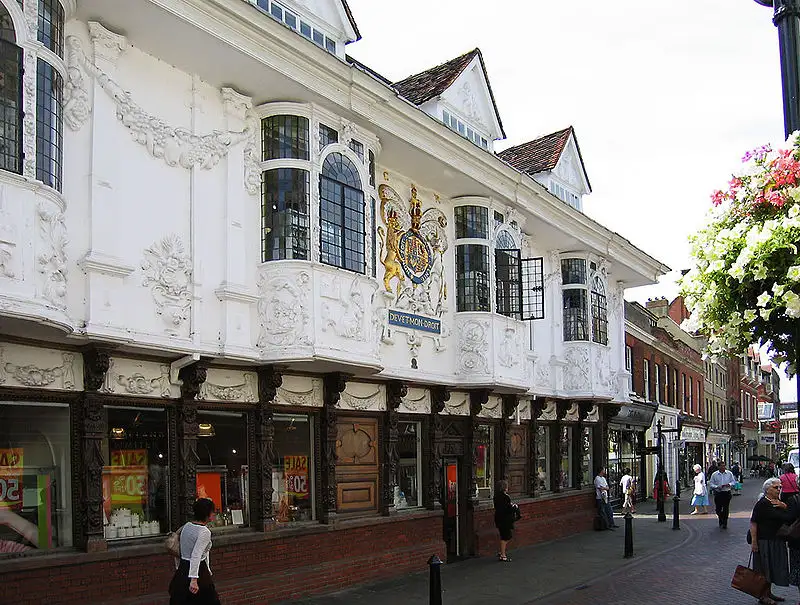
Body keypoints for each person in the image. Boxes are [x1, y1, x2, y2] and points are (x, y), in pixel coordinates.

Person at [169, 498, 221, 605]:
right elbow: (196, 555)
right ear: (207, 514)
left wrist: (179, 567)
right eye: (213, 511)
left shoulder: (187, 526)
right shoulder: (204, 532)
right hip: (198, 572)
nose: (214, 514)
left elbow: (180, 550)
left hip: (183, 568)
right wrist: (194, 580)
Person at [751, 477, 794, 605]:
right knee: (764, 568)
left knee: (772, 567)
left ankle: (768, 592)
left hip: (776, 540)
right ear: (767, 489)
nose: (779, 490)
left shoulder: (778, 502)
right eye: (776, 487)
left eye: (780, 487)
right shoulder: (762, 503)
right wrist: (754, 542)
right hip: (765, 540)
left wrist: (784, 506)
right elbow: (753, 523)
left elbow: (787, 517)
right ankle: (763, 596)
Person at [708, 460, 735, 529]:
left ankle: (725, 522)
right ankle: (720, 518)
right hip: (718, 493)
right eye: (722, 466)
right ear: (718, 467)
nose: (723, 467)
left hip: (726, 492)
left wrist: (729, 484)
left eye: (724, 466)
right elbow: (711, 484)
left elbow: (733, 482)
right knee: (718, 509)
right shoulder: (714, 474)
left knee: (726, 508)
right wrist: (717, 487)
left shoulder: (729, 473)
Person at [493, 479, 515, 562]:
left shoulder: (496, 496)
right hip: (505, 519)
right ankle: (503, 555)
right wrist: (513, 507)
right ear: (504, 487)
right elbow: (508, 509)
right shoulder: (506, 497)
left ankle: (502, 551)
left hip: (498, 518)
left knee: (504, 535)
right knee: (506, 536)